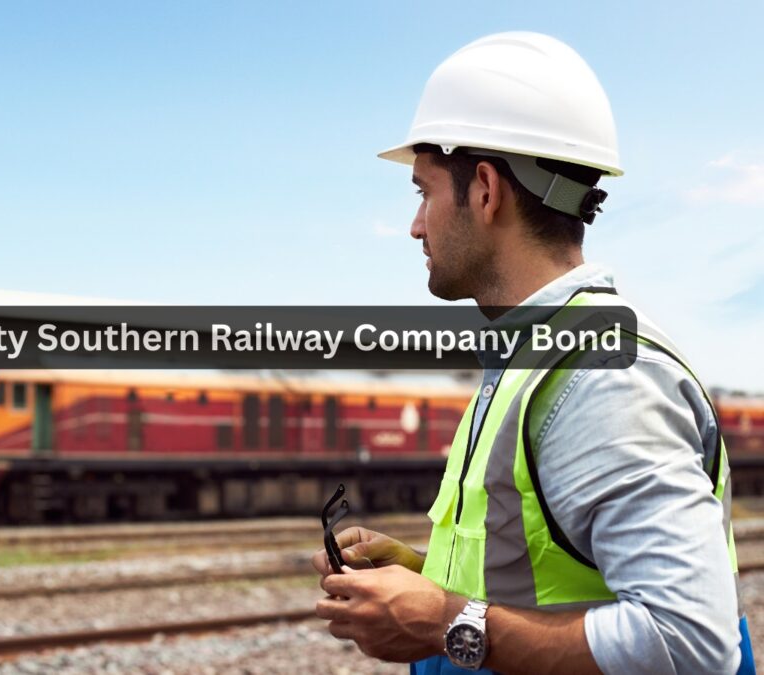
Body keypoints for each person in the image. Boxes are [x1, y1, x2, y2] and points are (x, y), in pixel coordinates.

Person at [311, 32, 754, 674]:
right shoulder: (534, 360)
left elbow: (689, 646)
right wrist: (424, 577)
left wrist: (443, 622)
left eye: (422, 192)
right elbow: (553, 575)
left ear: (485, 190)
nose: (415, 225)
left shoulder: (603, 380)